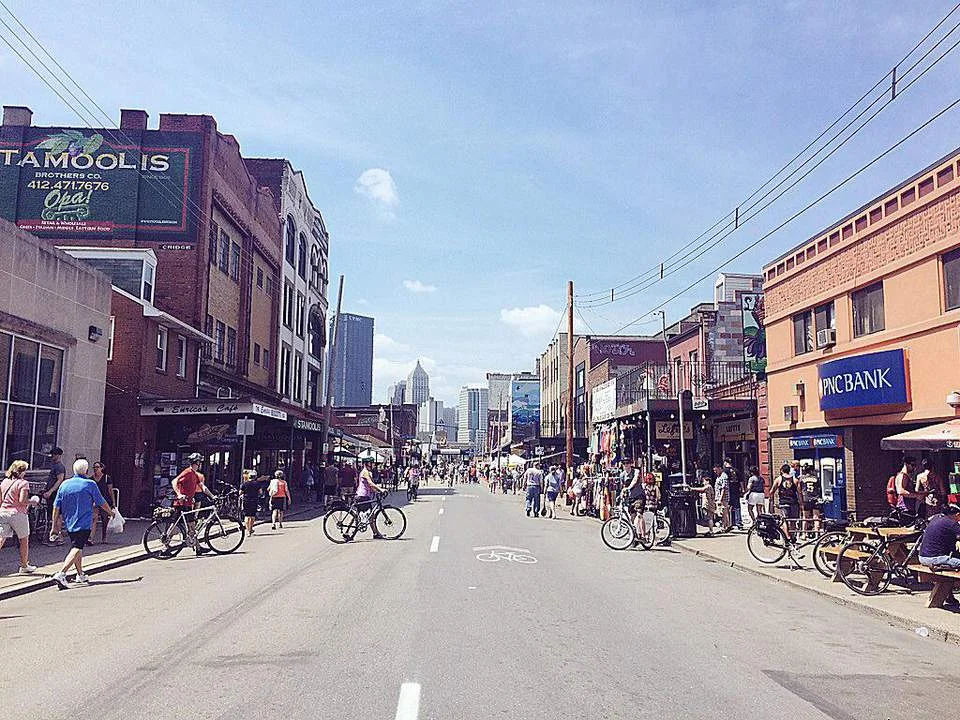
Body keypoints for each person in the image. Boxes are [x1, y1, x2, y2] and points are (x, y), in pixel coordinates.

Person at [49, 459, 114, 589]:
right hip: (83, 522)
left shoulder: (65, 484)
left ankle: (80, 574)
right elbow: (101, 501)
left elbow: (56, 506)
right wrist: (111, 512)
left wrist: (53, 526)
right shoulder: (90, 484)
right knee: (77, 547)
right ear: (85, 470)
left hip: (69, 521)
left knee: (77, 547)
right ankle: (61, 573)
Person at [171, 452, 215, 555]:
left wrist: (213, 496)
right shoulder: (187, 472)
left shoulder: (195, 475)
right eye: (200, 462)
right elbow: (174, 481)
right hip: (181, 503)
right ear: (197, 462)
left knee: (192, 526)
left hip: (188, 504)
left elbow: (202, 487)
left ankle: (198, 548)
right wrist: (179, 494)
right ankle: (165, 546)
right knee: (175, 525)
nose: (200, 464)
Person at [0, 460, 39, 574]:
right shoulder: (23, 483)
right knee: (24, 539)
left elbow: (0, 500)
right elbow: (22, 500)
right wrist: (33, 501)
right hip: (18, 513)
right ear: (21, 472)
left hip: (3, 512)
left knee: (1, 538)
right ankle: (24, 565)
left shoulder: (4, 482)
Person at [918, 504, 960, 606]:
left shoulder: (936, 518)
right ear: (957, 515)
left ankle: (949, 596)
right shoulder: (951, 523)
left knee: (952, 562)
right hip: (934, 559)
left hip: (922, 557)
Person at [356, 458, 385, 539]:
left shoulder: (367, 472)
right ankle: (376, 533)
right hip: (363, 496)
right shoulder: (365, 472)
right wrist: (381, 489)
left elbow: (370, 486)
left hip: (364, 495)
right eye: (372, 463)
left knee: (366, 515)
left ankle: (375, 533)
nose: (373, 465)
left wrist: (377, 492)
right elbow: (371, 483)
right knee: (370, 515)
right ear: (367, 463)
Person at [42, 447, 66, 543]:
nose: (52, 456)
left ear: (59, 455)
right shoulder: (54, 465)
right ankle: (55, 534)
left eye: (54, 454)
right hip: (52, 493)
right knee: (53, 514)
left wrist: (50, 491)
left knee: (57, 514)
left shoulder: (59, 466)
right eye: (52, 454)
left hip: (55, 494)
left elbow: (60, 480)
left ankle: (59, 535)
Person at [88, 462, 115, 544]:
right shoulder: (91, 479)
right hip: (94, 501)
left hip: (104, 501)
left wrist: (113, 502)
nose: (95, 469)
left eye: (97, 467)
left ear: (102, 468)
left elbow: (110, 491)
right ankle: (91, 538)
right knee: (94, 519)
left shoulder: (107, 478)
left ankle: (104, 537)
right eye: (94, 467)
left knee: (104, 519)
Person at [772, 463, 801, 536]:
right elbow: (799, 493)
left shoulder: (779, 479)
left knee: (785, 521)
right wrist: (801, 503)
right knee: (793, 521)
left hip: (783, 502)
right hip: (794, 502)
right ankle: (793, 537)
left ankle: (787, 537)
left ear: (782, 471)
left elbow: (772, 491)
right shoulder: (795, 480)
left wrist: (771, 499)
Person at [798, 464, 822, 537]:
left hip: (806, 498)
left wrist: (800, 500)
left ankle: (804, 534)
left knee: (805, 517)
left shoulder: (802, 479)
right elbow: (819, 489)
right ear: (812, 471)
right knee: (816, 517)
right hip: (815, 499)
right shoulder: (816, 478)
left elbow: (799, 490)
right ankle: (817, 534)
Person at [240, 470, 265, 536]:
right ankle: (251, 528)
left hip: (246, 500)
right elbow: (261, 492)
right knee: (252, 516)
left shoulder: (244, 484)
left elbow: (240, 492)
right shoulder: (257, 484)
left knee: (247, 516)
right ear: (255, 477)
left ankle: (247, 530)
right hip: (254, 500)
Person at [724, 459, 743, 530]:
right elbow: (741, 480)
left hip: (728, 491)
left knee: (728, 506)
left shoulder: (725, 471)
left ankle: (730, 523)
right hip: (736, 490)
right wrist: (742, 489)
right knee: (737, 506)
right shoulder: (736, 470)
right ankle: (739, 522)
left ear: (726, 463)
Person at [713, 464, 731, 533]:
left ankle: (725, 526)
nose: (715, 472)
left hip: (723, 498)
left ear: (719, 468)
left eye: (716, 470)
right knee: (723, 512)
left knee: (724, 512)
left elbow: (724, 488)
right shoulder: (719, 476)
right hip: (719, 497)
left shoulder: (724, 476)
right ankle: (725, 526)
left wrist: (720, 499)